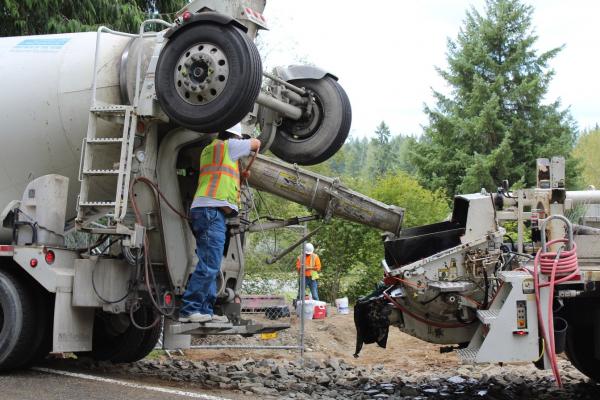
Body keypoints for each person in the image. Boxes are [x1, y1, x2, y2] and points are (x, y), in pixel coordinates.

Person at [179, 124, 260, 323]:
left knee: (212, 264)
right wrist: (251, 140)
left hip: (210, 211)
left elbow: (221, 178)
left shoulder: (211, 149)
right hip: (211, 212)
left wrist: (240, 177)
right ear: (234, 136)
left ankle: (205, 310)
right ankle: (189, 309)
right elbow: (256, 143)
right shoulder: (229, 146)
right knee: (209, 265)